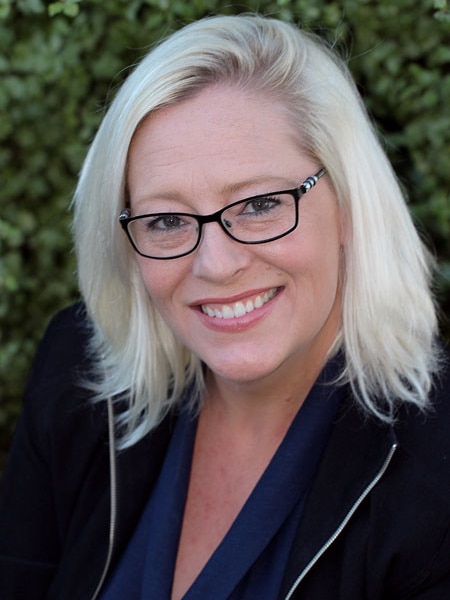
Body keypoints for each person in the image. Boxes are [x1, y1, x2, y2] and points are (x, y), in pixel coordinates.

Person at [0, 13, 449, 600]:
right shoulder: (77, 374)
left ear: (349, 204)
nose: (216, 264)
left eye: (260, 204)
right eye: (165, 220)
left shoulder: (437, 473)